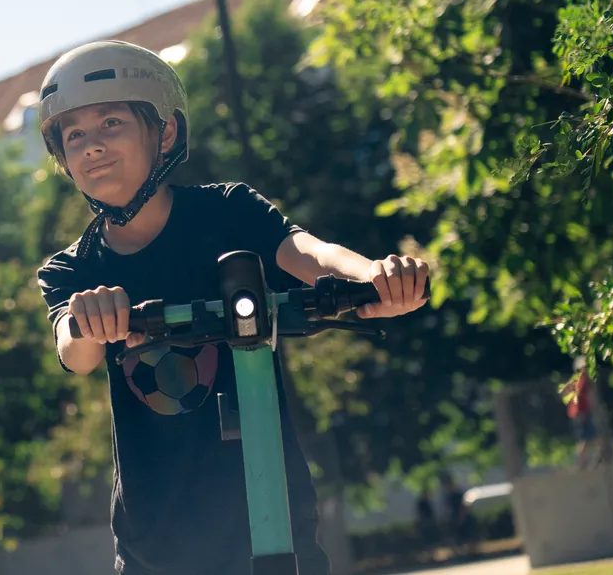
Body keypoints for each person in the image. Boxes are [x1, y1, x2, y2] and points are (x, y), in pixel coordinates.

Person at [35, 40, 431, 575]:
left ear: (166, 132)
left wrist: (373, 278)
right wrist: (90, 320)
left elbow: (310, 253)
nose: (91, 146)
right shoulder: (74, 271)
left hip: (270, 514)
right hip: (157, 544)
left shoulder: (228, 211)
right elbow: (74, 352)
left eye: (111, 123)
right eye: (74, 134)